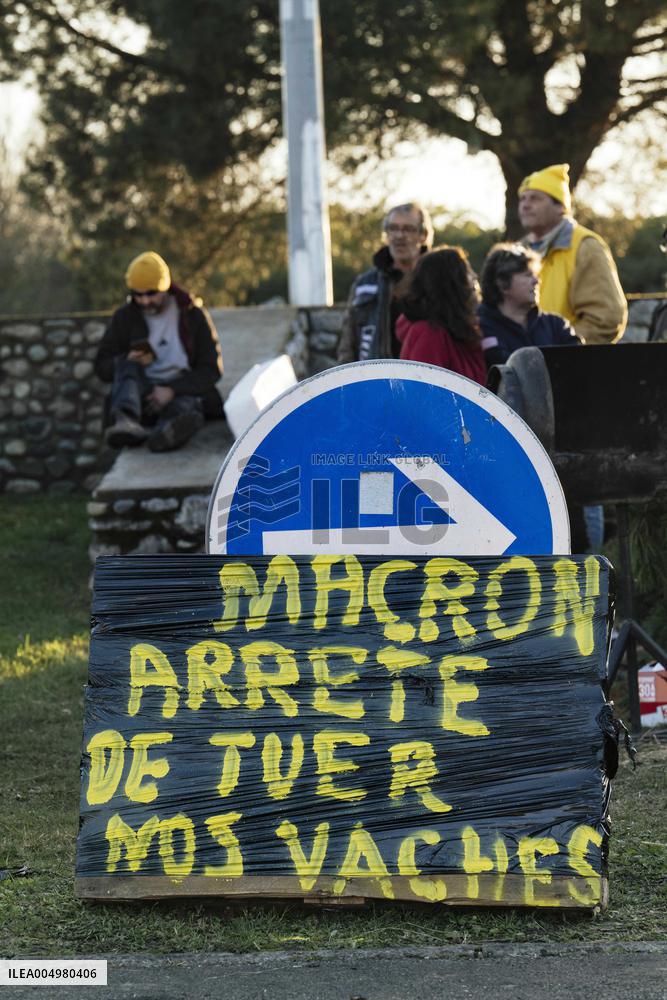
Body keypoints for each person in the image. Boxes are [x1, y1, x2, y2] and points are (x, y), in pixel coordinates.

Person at [95, 251, 223, 452]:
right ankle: (125, 422)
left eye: (151, 293)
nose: (145, 301)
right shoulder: (124, 317)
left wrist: (172, 390)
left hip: (182, 389)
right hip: (141, 393)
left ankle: (166, 433)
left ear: (165, 288)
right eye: (138, 294)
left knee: (185, 405)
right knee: (126, 365)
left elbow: (211, 370)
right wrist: (125, 358)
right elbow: (101, 366)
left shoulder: (192, 315)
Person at [518, 163, 627, 344]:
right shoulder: (516, 251)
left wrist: (557, 351)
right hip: (519, 363)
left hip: (566, 367)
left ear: (561, 206)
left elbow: (605, 319)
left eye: (535, 198)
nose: (526, 205)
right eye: (523, 198)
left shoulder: (586, 247)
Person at [337, 202, 434, 363]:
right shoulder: (364, 284)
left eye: (408, 229)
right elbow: (348, 344)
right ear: (386, 233)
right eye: (393, 228)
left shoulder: (440, 279)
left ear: (423, 234)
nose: (399, 235)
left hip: (427, 381)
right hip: (375, 380)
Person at [478, 243, 580, 367]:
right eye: (528, 275)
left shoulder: (557, 325)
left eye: (535, 275)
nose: (536, 281)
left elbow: (580, 362)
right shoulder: (480, 329)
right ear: (502, 283)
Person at [395, 246, 487, 385]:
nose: (475, 276)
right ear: (450, 283)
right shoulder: (429, 333)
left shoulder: (461, 330)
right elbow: (424, 395)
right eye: (467, 271)